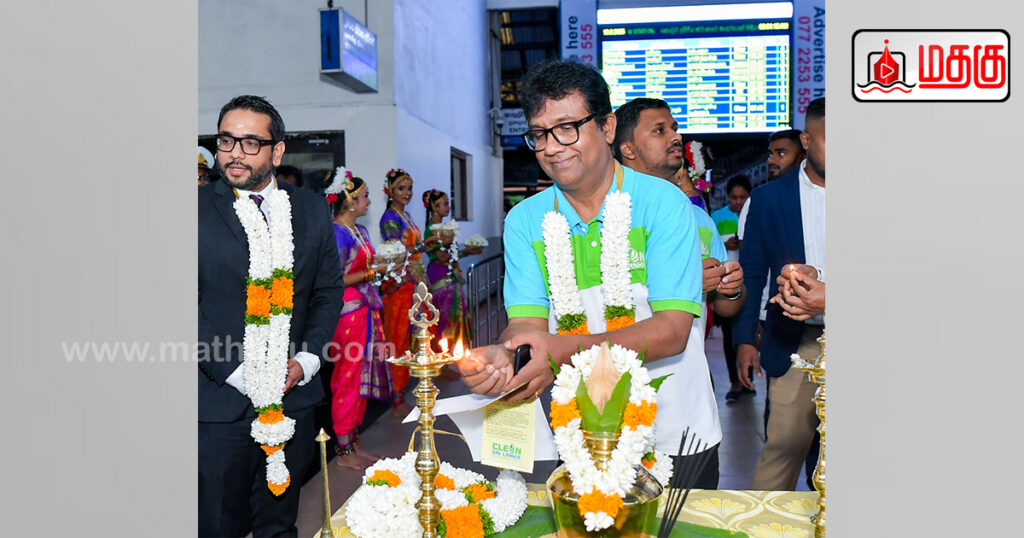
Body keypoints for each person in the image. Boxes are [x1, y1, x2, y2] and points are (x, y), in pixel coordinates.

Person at [457, 60, 720, 484]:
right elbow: (527, 323)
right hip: (581, 431)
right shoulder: (525, 220)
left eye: (567, 128)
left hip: (675, 430)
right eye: (539, 134)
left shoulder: (663, 204)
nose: (551, 147)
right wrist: (506, 355)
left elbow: (672, 331)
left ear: (608, 127)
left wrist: (556, 350)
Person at [198, 95, 344, 537]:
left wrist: (308, 359)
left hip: (292, 396)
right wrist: (237, 372)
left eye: (250, 143)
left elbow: (327, 291)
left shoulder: (311, 209)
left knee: (278, 525)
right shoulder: (193, 210)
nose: (234, 153)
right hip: (220, 402)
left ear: (277, 151)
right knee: (217, 525)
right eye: (226, 140)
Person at [612, 96, 748, 486]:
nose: (676, 136)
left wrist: (730, 288)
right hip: (614, 415)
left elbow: (725, 309)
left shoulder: (699, 218)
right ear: (628, 149)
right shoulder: (606, 215)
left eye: (674, 128)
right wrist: (684, 283)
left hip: (690, 415)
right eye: (660, 130)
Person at [735, 98, 826, 491]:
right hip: (796, 340)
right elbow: (753, 272)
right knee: (783, 449)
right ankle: (763, 523)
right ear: (807, 140)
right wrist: (744, 340)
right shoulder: (770, 198)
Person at [324, 168, 390, 470]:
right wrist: (371, 273)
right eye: (364, 196)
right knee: (347, 377)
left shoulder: (359, 231)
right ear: (349, 201)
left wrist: (384, 264)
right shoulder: (337, 233)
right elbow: (335, 279)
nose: (368, 201)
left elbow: (364, 266)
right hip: (347, 312)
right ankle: (343, 449)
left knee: (360, 374)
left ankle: (353, 440)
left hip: (365, 307)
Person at [379, 168, 439, 416]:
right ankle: (396, 397)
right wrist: (424, 245)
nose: (407, 193)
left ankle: (412, 384)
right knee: (399, 336)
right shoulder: (390, 219)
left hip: (414, 279)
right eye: (401, 188)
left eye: (409, 188)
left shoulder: (406, 215)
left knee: (416, 334)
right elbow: (397, 251)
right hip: (401, 282)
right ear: (390, 191)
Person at [421, 189, 484, 349]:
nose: (448, 207)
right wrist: (465, 252)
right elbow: (442, 258)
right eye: (445, 204)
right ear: (434, 207)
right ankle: (442, 352)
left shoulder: (444, 228)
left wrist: (467, 251)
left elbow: (450, 256)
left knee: (453, 312)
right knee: (444, 315)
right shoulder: (432, 230)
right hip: (440, 274)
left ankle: (454, 352)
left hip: (449, 272)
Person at [710, 175, 753, 402]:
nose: (738, 202)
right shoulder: (717, 217)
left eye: (743, 197)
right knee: (729, 336)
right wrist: (725, 244)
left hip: (751, 281)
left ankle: (748, 380)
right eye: (734, 197)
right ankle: (734, 382)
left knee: (748, 334)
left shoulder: (755, 212)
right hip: (727, 285)